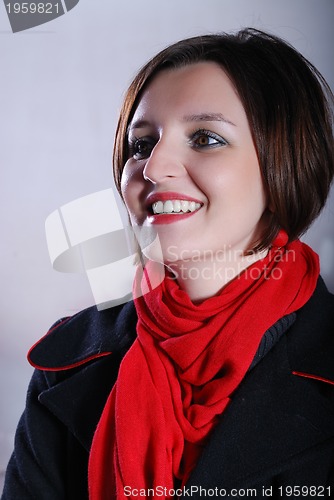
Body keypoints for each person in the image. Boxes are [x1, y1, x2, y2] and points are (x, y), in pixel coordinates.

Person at [2, 28, 334, 500]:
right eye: (140, 145)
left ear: (286, 163)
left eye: (205, 138)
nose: (154, 168)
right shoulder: (66, 361)